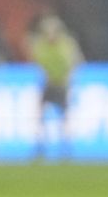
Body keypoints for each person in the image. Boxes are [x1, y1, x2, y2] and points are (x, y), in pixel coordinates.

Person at [25, 11, 83, 158]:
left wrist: (69, 79)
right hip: (48, 84)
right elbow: (36, 60)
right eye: (47, 31)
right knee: (40, 116)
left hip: (62, 85)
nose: (50, 34)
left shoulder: (67, 44)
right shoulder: (41, 45)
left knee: (64, 118)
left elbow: (76, 62)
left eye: (52, 30)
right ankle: (40, 146)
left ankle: (65, 148)